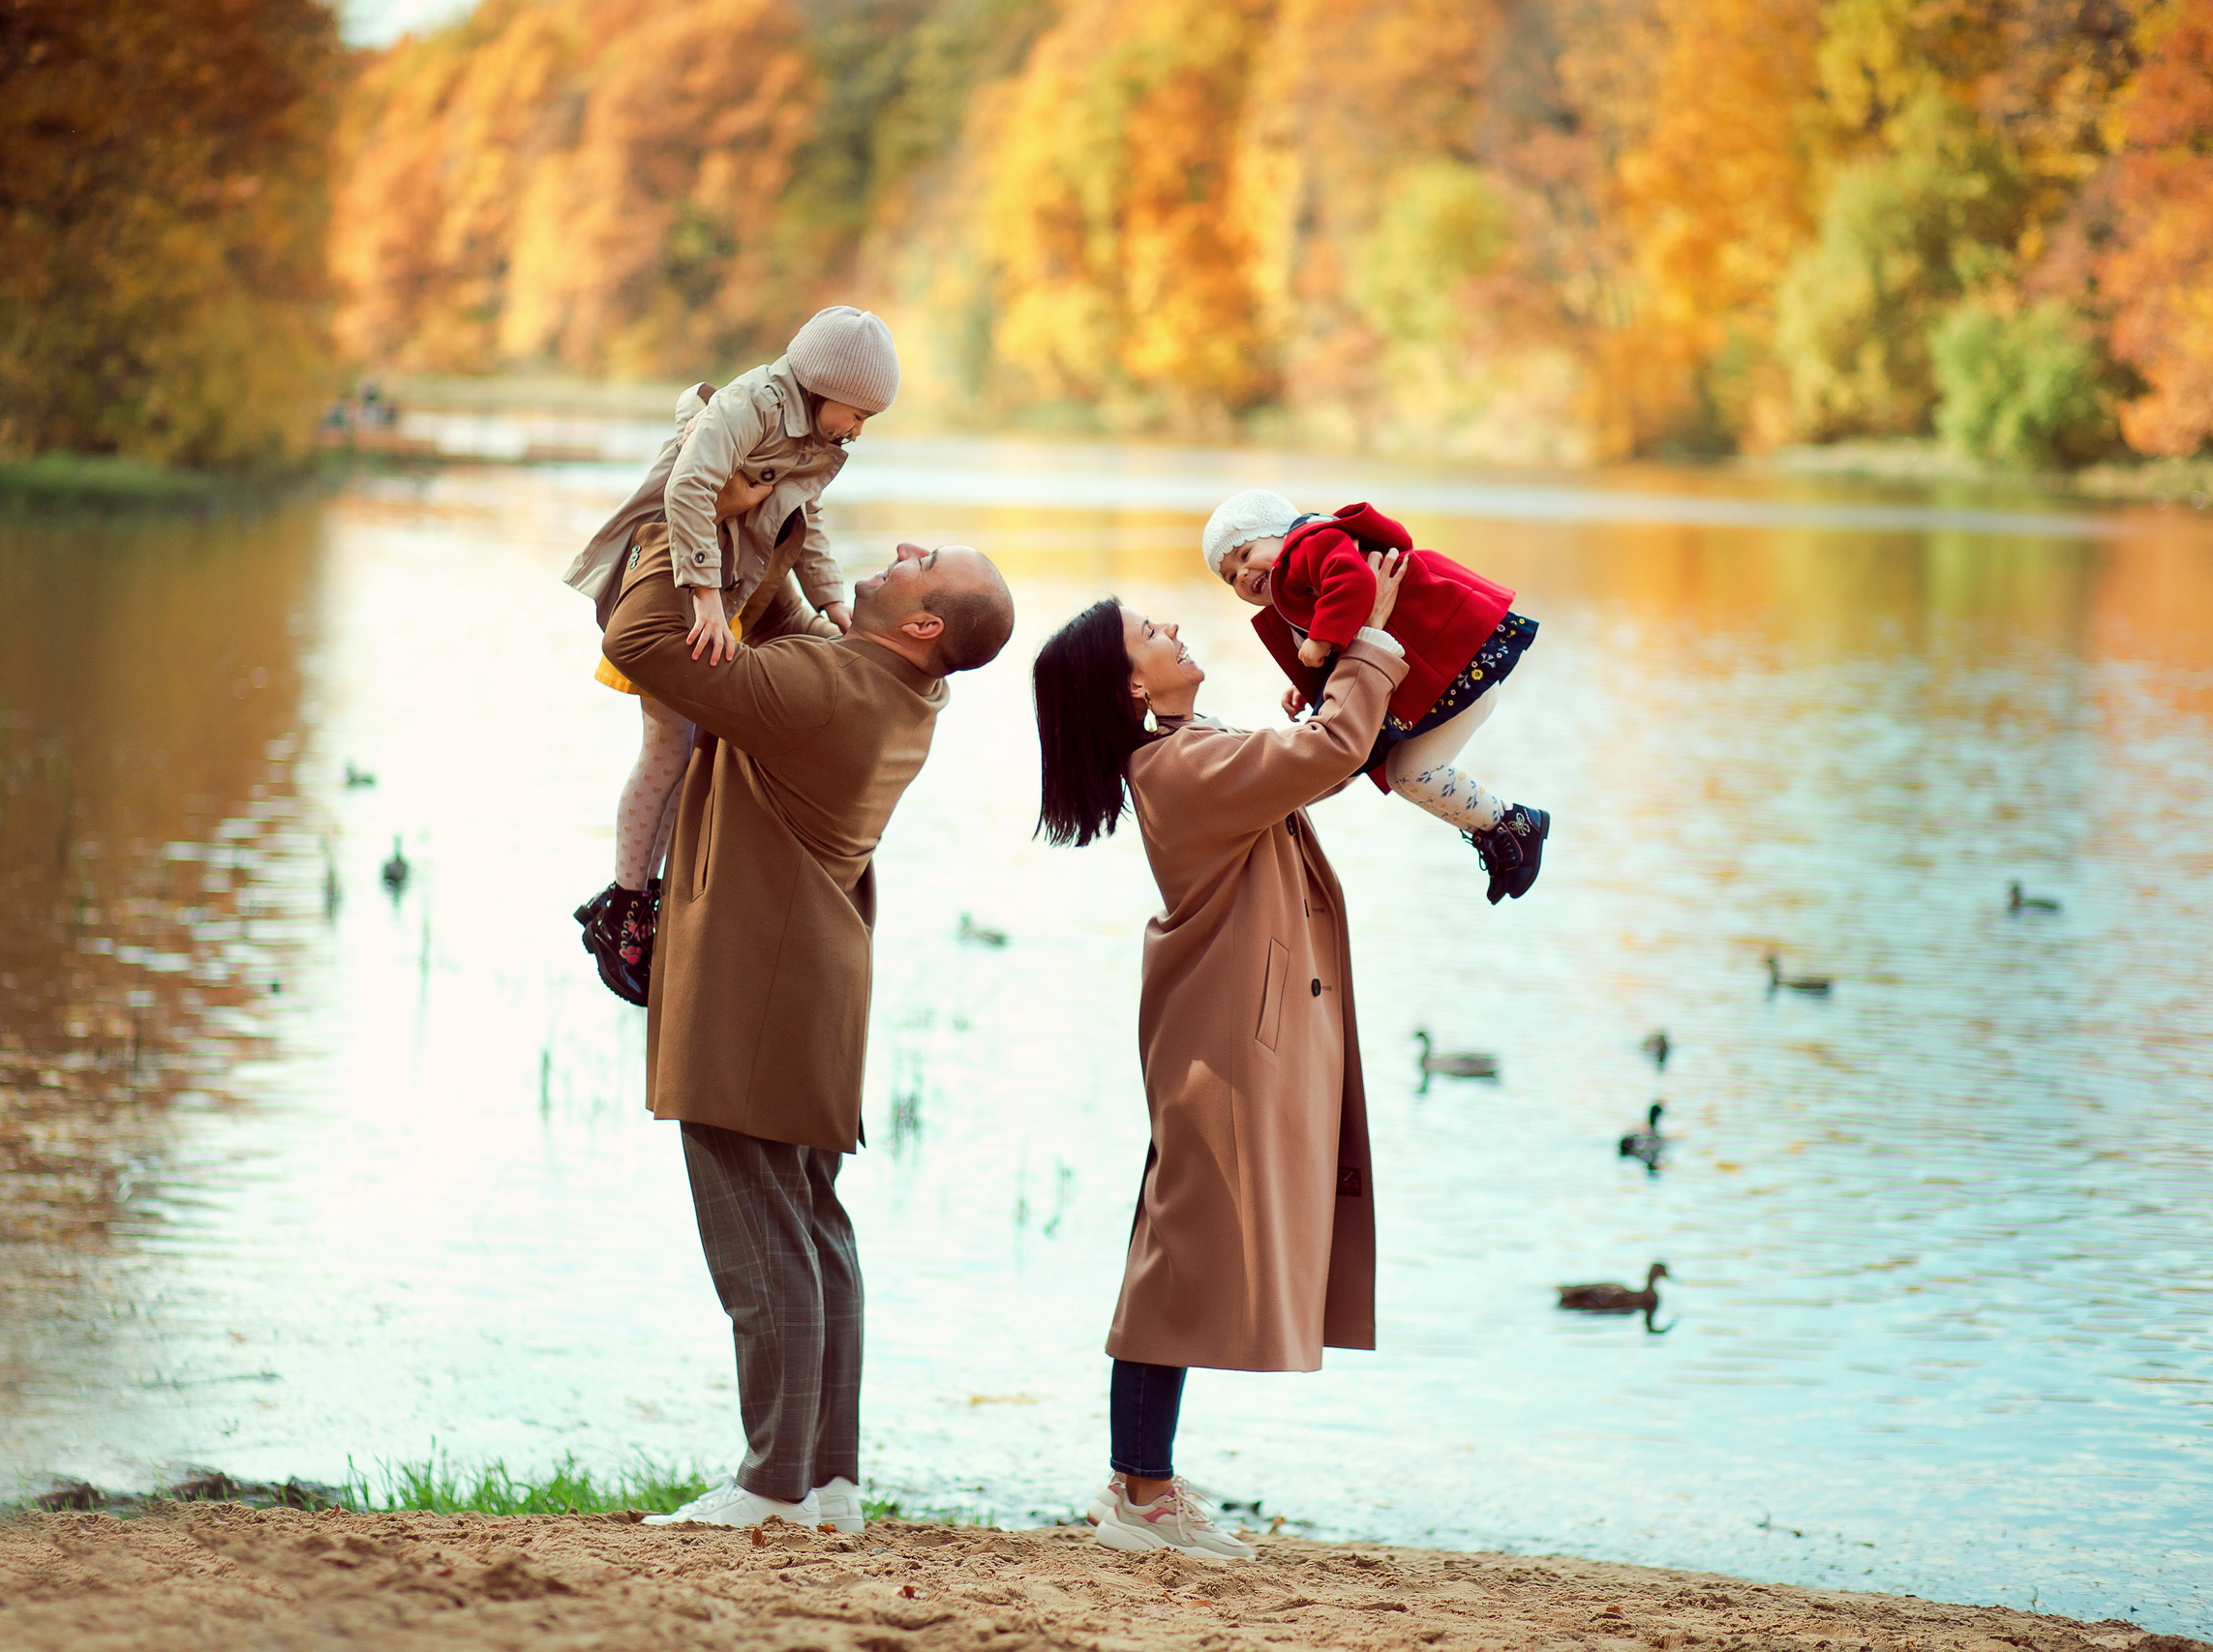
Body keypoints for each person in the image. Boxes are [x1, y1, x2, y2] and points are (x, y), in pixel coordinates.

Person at [601, 527, 1015, 1530]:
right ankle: (829, 1480)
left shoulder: (825, 695)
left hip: (756, 981)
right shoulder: (896, 685)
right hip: (812, 980)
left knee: (760, 1233)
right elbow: (781, 621)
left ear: (921, 624)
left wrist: (682, 530)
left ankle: (771, 1484)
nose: (905, 545)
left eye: (924, 560)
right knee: (812, 1225)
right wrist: (772, 520)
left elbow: (644, 637)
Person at [1028, 551, 1407, 1563]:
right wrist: (1371, 640)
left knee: (1179, 1252)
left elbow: (1301, 748)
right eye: (1152, 635)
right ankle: (1139, 1497)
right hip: (1222, 1043)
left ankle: (1143, 1487)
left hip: (1230, 1029)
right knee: (1172, 1258)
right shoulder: (1181, 767)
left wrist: (1337, 665)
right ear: (1131, 687)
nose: (1174, 633)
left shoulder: (1187, 751)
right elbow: (1326, 753)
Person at [565, 306, 901, 1004]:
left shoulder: (818, 442)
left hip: (745, 582)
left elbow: (805, 529)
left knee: (692, 753)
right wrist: (704, 596)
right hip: (678, 574)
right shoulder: (753, 405)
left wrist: (837, 608)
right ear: (823, 382)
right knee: (668, 745)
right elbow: (689, 486)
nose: (860, 429)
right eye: (859, 411)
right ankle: (625, 904)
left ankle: (656, 892)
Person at [1203, 489, 1552, 903]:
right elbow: (1346, 629)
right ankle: (1504, 828)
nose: (1242, 574)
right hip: (1434, 674)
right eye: (1230, 577)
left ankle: (1510, 827)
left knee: (1406, 772)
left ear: (1279, 533)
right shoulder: (1295, 584)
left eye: (1245, 554)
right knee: (1404, 773)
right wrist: (1311, 678)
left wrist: (1319, 641)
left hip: (1453, 656)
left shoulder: (1310, 544)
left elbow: (1352, 583)